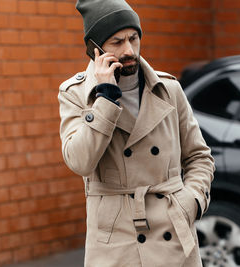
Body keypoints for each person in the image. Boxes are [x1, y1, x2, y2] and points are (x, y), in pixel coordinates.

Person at [58, 0, 215, 266]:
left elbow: (199, 157)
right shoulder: (76, 94)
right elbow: (79, 161)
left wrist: (192, 202)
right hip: (115, 243)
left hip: (172, 234)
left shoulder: (169, 89)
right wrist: (105, 99)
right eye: (117, 42)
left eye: (133, 38)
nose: (129, 50)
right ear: (95, 49)